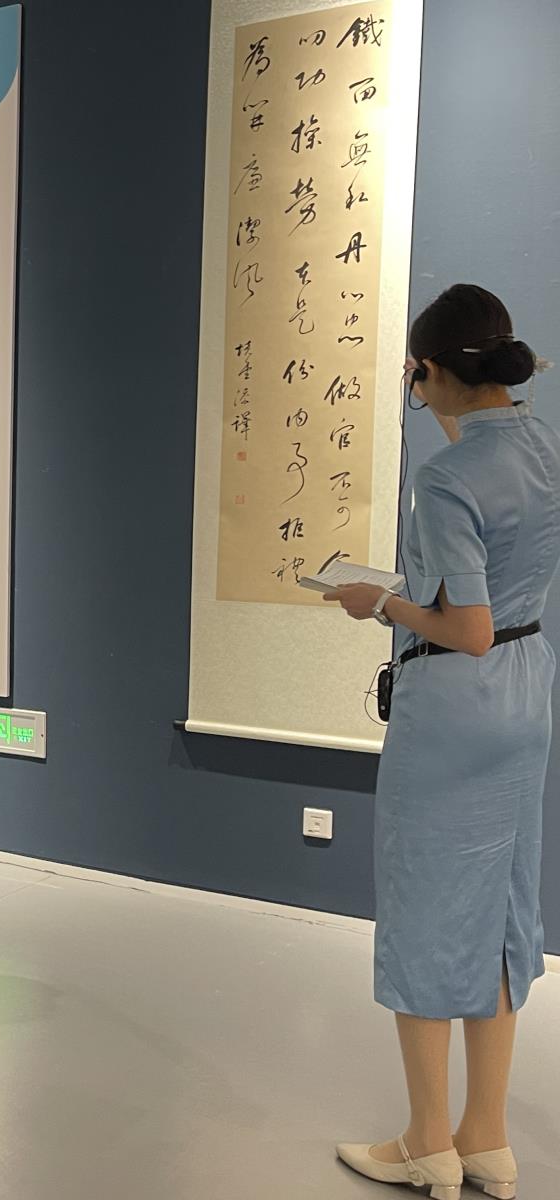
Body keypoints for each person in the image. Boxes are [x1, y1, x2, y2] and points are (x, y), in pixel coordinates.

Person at [325, 285, 552, 1200]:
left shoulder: (448, 480)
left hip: (455, 706)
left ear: (428, 373)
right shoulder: (545, 448)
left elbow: (467, 629)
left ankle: (427, 1141)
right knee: (500, 908)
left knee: (424, 912)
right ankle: (486, 1136)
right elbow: (502, 619)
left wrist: (378, 601)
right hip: (528, 696)